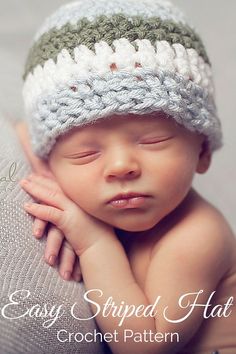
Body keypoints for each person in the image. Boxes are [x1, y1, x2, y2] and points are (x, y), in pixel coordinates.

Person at [18, 0, 236, 353]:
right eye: (85, 152)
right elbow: (27, 132)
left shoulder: (197, 236)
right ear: (53, 160)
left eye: (153, 140)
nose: (121, 166)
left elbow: (143, 345)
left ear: (203, 151)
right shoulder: (59, 164)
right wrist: (46, 171)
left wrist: (94, 243)